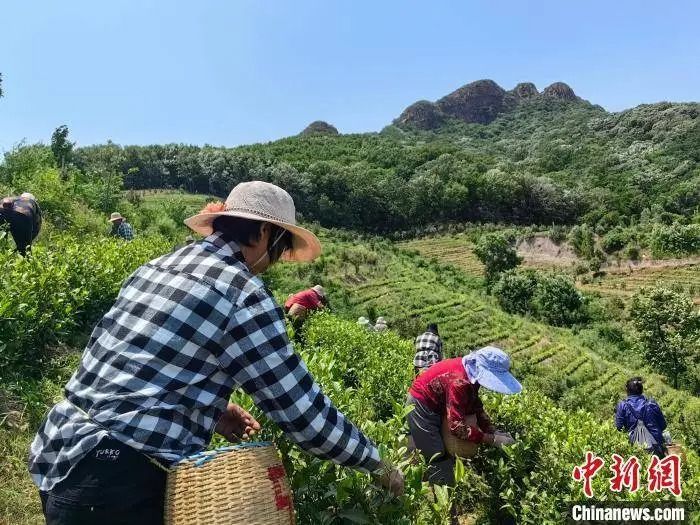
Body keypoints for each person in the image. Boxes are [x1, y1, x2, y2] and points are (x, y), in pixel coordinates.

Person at [29, 181, 403, 525]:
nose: (273, 262)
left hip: (60, 451)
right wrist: (376, 463)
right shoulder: (243, 294)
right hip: (117, 482)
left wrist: (215, 409)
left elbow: (136, 358)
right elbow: (302, 413)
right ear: (264, 232)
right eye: (279, 247)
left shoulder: (158, 266)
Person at [407, 347, 519, 523]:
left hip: (437, 405)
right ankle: (447, 516)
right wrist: (492, 440)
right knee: (438, 458)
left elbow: (476, 406)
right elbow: (457, 427)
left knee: (441, 452)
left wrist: (492, 429)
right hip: (422, 405)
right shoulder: (459, 381)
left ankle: (424, 470)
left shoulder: (470, 374)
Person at [615, 377, 667, 456]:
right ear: (641, 390)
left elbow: (619, 427)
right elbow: (663, 425)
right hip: (655, 446)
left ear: (627, 391)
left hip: (634, 446)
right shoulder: (651, 403)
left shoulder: (623, 405)